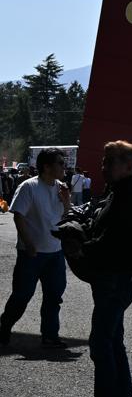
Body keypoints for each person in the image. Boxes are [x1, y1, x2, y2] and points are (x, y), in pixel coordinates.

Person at [81, 140, 132, 397]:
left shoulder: (128, 196)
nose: (103, 166)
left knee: (101, 345)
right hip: (114, 278)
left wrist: (82, 247)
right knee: (113, 343)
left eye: (109, 162)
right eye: (103, 160)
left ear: (129, 166)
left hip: (115, 278)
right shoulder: (120, 192)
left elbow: (115, 241)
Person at [0, 147, 71, 349]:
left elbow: (65, 217)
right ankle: (5, 324)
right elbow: (18, 215)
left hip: (55, 252)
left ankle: (50, 336)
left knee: (54, 297)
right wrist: (28, 243)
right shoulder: (29, 187)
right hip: (31, 253)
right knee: (22, 296)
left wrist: (66, 202)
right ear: (47, 167)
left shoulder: (61, 187)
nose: (64, 167)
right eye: (60, 163)